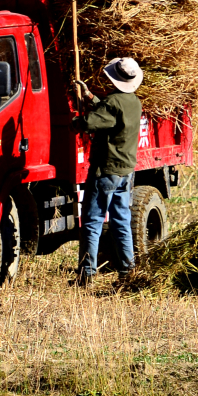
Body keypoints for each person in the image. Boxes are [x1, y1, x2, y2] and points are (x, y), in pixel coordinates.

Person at [76, 56, 143, 285]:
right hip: (126, 171)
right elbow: (110, 116)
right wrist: (90, 97)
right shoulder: (134, 101)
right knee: (121, 221)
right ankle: (128, 271)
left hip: (106, 170)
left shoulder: (112, 102)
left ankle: (87, 274)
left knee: (92, 222)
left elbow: (89, 122)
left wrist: (75, 121)